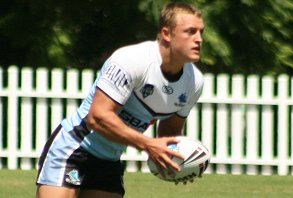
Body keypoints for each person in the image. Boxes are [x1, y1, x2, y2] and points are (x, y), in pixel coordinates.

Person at [36, 2, 205, 198]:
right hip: (73, 148)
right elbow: (98, 117)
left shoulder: (194, 82)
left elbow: (170, 132)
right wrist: (148, 145)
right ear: (166, 34)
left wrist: (180, 162)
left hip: (110, 160)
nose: (198, 39)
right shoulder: (132, 60)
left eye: (201, 32)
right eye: (190, 32)